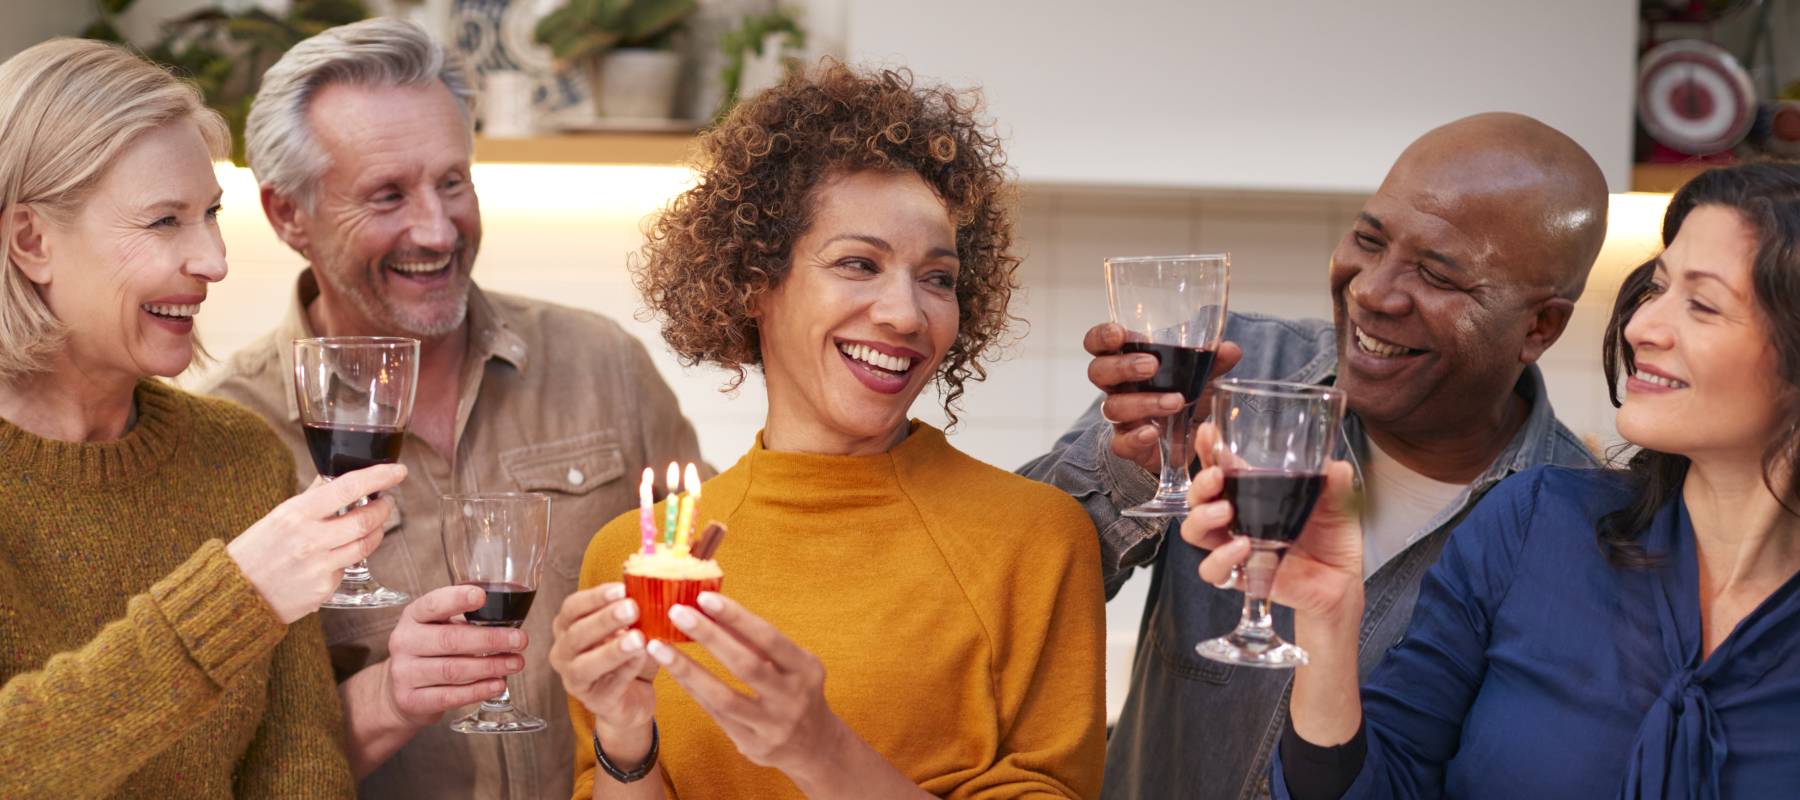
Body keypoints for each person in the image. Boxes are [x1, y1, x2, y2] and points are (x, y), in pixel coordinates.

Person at [550, 62, 1106, 799]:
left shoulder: (1036, 540)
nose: (906, 314)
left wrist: (820, 751)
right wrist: (625, 743)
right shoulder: (629, 555)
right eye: (858, 264)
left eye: (937, 278)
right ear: (754, 282)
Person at [1019, 112, 1611, 798]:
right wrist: (1136, 464)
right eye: (1368, 240)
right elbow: (1012, 592)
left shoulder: (1581, 533)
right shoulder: (1232, 372)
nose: (1371, 290)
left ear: (1540, 325)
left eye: (1437, 275)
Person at [204, 18, 704, 800]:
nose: (437, 232)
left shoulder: (602, 363)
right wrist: (387, 698)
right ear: (287, 215)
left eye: (452, 182)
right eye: (387, 195)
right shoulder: (230, 438)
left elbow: (710, 596)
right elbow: (226, 773)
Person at [1233, 161, 1800, 798]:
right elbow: (1379, 784)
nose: (1640, 327)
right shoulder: (1536, 523)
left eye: (1702, 305)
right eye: (1657, 287)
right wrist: (1328, 626)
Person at [0, 38, 406, 797]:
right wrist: (236, 598)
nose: (214, 260)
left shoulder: (238, 455)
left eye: (211, 214)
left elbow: (300, 766)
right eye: (164, 221)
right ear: (32, 241)